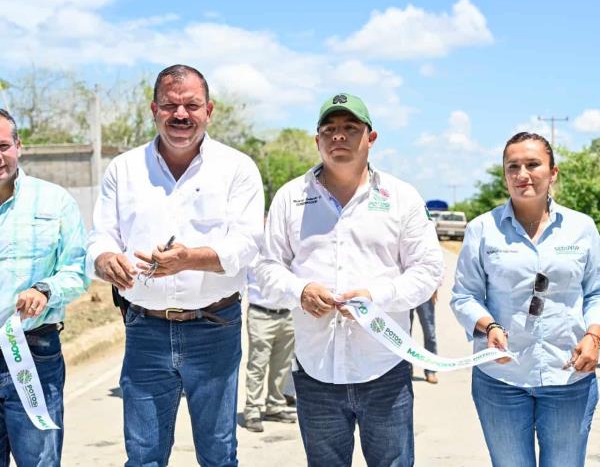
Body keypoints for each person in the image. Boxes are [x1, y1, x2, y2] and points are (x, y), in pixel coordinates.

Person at [86, 65, 264, 467]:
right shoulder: (124, 169)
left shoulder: (237, 168)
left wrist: (191, 259)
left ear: (209, 110)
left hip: (214, 328)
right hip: (144, 328)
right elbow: (100, 235)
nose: (180, 114)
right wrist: (104, 257)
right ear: (154, 109)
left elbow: (247, 242)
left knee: (218, 454)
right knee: (144, 455)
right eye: (170, 105)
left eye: (191, 105)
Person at [256, 93, 444, 467]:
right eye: (329, 129)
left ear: (370, 138)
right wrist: (301, 290)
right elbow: (265, 267)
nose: (338, 137)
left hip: (384, 369)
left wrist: (378, 296)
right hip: (316, 372)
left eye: (350, 128)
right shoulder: (291, 198)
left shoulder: (401, 198)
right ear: (317, 140)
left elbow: (428, 271)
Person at [451, 132, 600, 467]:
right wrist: (488, 326)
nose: (522, 174)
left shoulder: (581, 227)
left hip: (568, 376)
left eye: (533, 164)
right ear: (505, 174)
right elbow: (464, 295)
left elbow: (599, 290)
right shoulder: (483, 229)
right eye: (514, 166)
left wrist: (594, 335)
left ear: (553, 172)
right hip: (502, 379)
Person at [0, 108, 89, 466]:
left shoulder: (55, 201)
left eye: (2, 145)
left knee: (39, 461)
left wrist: (45, 290)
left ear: (19, 146)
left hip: (32, 354)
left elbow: (78, 269)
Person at [243, 263, 296, 433]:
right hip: (261, 314)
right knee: (258, 365)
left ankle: (275, 406)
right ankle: (253, 411)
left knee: (282, 365)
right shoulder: (254, 248)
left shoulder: (285, 245)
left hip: (287, 314)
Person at [410, 290, 439, 384]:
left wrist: (434, 289)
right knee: (405, 335)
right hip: (406, 292)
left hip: (425, 292)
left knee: (430, 333)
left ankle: (430, 370)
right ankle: (407, 369)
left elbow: (436, 274)